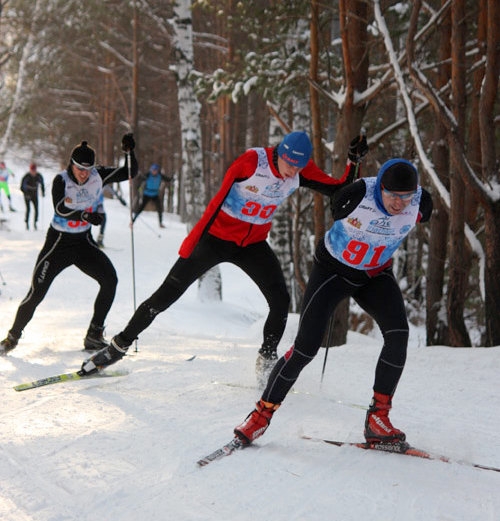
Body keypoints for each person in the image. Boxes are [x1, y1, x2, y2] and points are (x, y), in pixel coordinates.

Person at [79, 131, 368, 384]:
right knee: (167, 294)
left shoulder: (301, 169)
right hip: (215, 238)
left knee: (280, 300)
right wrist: (191, 244)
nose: (293, 172)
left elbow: (340, 190)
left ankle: (267, 359)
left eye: (299, 167)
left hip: (252, 244)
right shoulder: (250, 163)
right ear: (279, 153)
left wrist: (353, 162)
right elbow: (215, 203)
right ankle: (117, 347)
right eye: (289, 164)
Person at [232, 158, 433, 447]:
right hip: (333, 272)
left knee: (399, 334)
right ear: (381, 188)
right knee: (305, 349)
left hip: (374, 275)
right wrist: (351, 167)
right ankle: (260, 416)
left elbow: (422, 206)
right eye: (392, 195)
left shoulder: (421, 202)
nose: (399, 204)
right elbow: (337, 197)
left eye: (405, 197)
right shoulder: (359, 195)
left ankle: (378, 419)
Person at [0, 134, 138, 354]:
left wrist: (129, 153)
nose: (83, 173)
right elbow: (59, 209)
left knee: (110, 280)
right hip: (59, 243)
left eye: (88, 169)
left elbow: (130, 172)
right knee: (36, 292)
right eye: (79, 168)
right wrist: (84, 215)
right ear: (71, 165)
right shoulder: (61, 180)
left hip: (83, 243)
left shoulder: (97, 175)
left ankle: (93, 335)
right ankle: (11, 337)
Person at [133, 163, 170, 228]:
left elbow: (167, 179)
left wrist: (171, 179)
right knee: (141, 208)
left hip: (155, 194)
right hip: (147, 194)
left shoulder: (160, 176)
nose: (154, 172)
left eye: (155, 170)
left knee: (159, 208)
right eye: (152, 170)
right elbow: (140, 178)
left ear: (157, 170)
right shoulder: (147, 175)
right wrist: (138, 177)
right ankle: (133, 221)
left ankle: (160, 223)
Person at [20, 162, 45, 230]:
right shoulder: (26, 176)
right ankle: (27, 223)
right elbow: (22, 187)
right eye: (32, 171)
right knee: (28, 209)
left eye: (34, 171)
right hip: (27, 194)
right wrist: (26, 193)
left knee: (36, 209)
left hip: (34, 194)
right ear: (30, 170)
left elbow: (42, 184)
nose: (33, 172)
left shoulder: (39, 176)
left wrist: (43, 192)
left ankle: (35, 223)